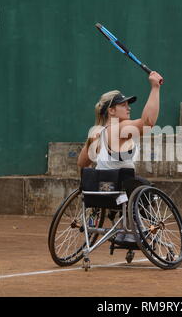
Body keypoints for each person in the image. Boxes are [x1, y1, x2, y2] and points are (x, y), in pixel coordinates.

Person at [77, 71, 164, 244]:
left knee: (133, 185)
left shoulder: (96, 133)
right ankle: (133, 228)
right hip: (120, 192)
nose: (128, 107)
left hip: (99, 193)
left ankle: (127, 226)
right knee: (144, 186)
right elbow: (148, 122)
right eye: (123, 105)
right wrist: (155, 88)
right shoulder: (119, 128)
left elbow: (82, 163)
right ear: (111, 110)